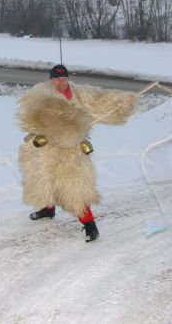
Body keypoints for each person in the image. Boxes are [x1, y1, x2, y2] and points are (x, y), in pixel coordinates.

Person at [17, 64, 137, 242]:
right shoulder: (41, 92)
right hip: (46, 148)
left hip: (71, 150)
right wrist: (65, 116)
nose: (61, 82)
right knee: (43, 181)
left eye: (64, 78)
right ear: (51, 79)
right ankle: (48, 209)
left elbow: (100, 100)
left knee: (75, 188)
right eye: (57, 79)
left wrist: (123, 102)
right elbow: (33, 109)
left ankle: (90, 226)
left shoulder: (79, 93)